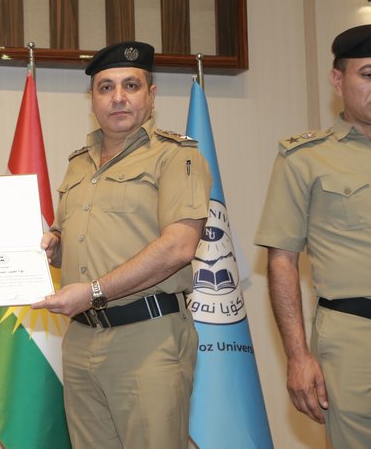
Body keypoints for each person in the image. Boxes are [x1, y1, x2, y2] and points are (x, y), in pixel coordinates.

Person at [32, 41, 212, 448]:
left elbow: (179, 247)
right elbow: (69, 240)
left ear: (151, 95)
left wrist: (94, 291)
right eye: (106, 87)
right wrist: (53, 246)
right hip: (82, 339)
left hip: (148, 338)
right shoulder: (78, 164)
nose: (118, 97)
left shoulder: (176, 157)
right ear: (92, 99)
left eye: (131, 85)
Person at [255, 24, 371, 447]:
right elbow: (282, 260)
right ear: (337, 81)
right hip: (353, 340)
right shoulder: (305, 157)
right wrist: (298, 356)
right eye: (368, 74)